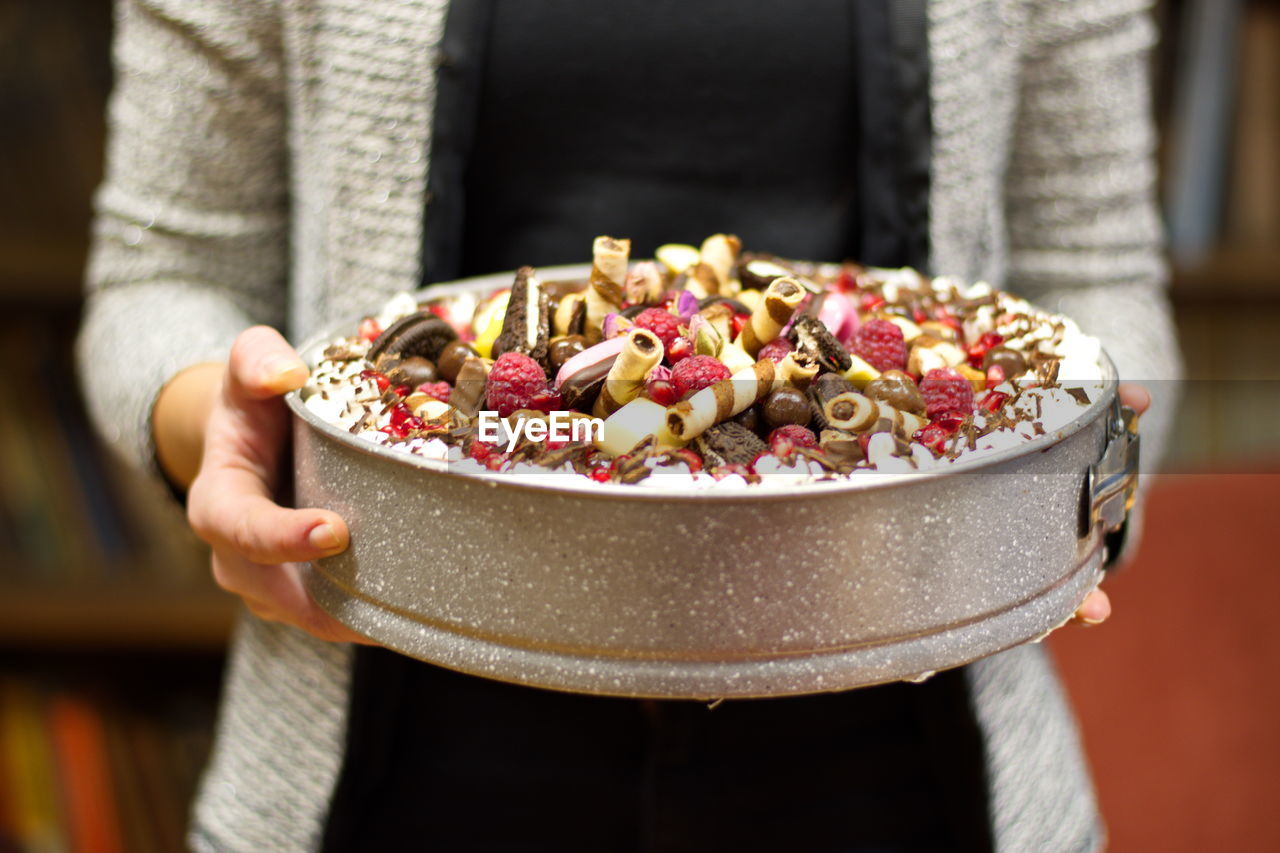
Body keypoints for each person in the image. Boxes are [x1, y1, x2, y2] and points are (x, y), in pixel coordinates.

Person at [78, 1, 1178, 850]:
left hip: (910, 763)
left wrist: (1074, 503)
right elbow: (161, 274)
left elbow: (1100, 274)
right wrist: (225, 437)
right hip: (394, 739)